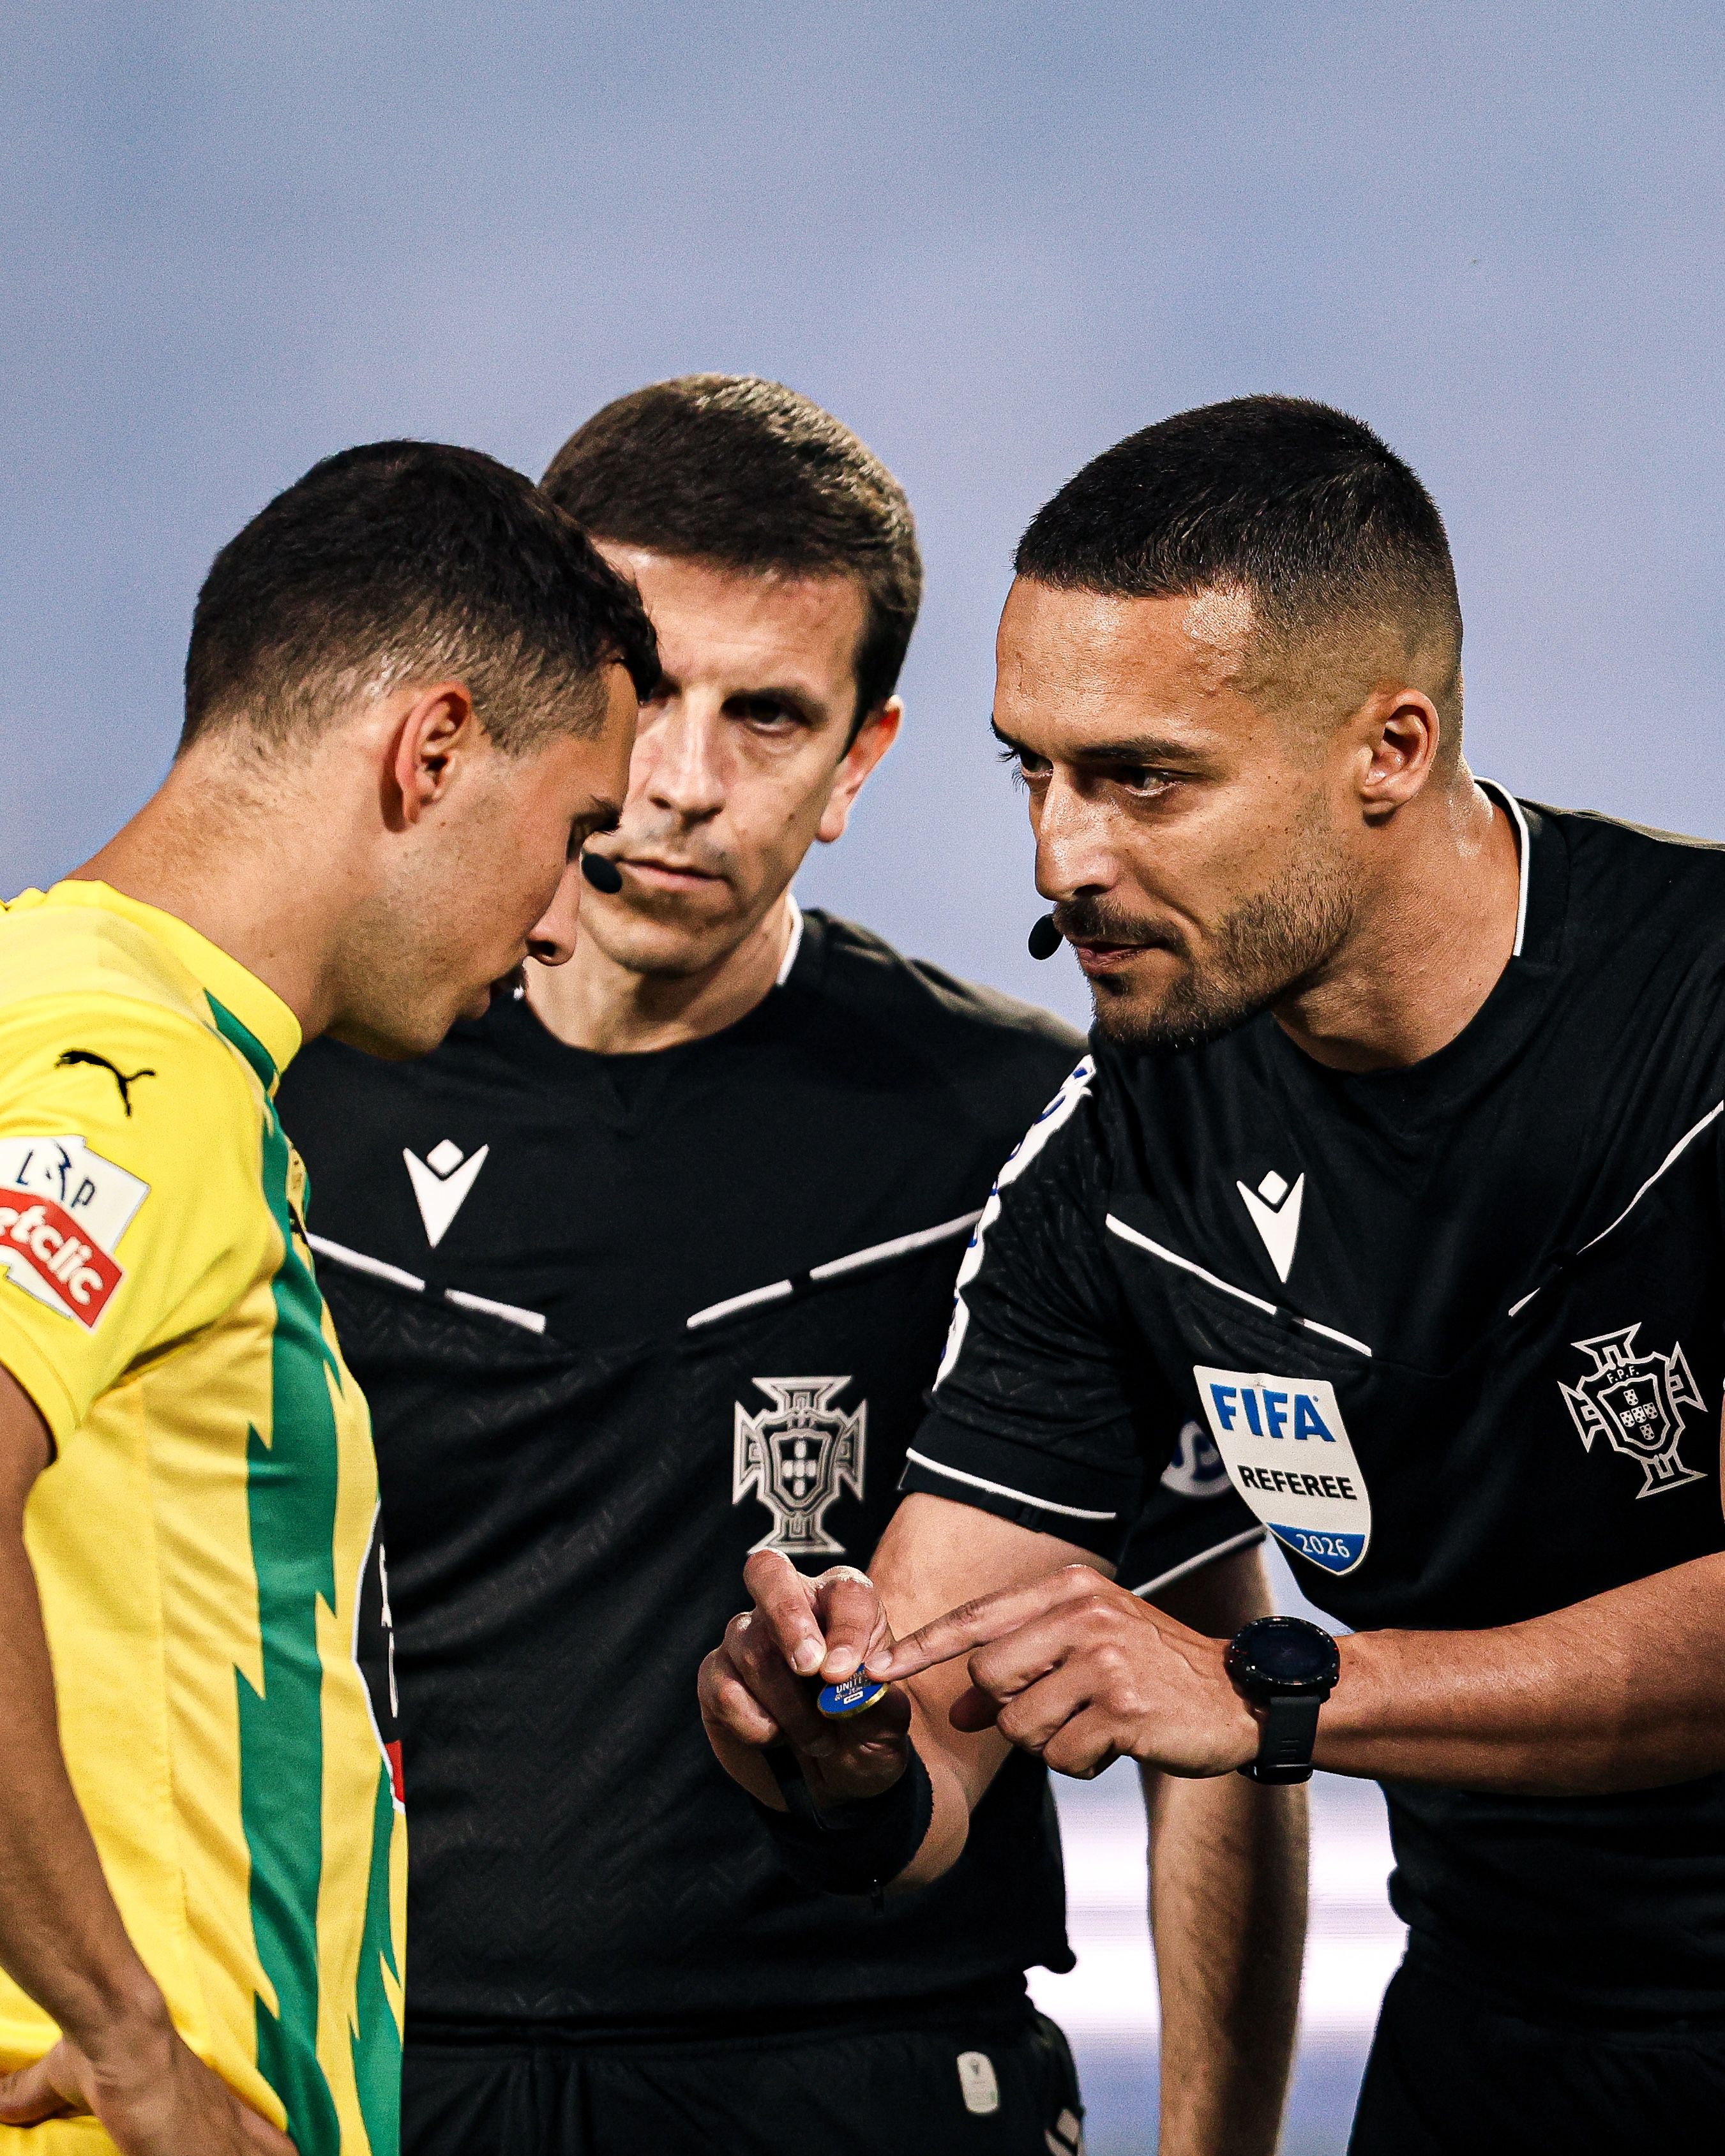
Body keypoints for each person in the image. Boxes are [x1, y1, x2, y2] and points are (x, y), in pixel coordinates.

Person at [276, 375, 1306, 2156]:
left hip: (869, 2076)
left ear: (861, 762)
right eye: (643, 692)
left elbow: (1210, 1688)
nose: (681, 781)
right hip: (379, 2079)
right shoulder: (281, 1091)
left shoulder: (1032, 1131)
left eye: (767, 716)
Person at [700, 394, 1725, 2156]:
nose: (1060, 856)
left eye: (1143, 779)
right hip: (1498, 2043)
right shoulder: (1124, 1165)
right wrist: (836, 1737)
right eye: (1033, 765)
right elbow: (933, 1724)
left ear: (1389, 748)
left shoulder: (1698, 1031)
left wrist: (1277, 1693)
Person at [0, 440, 652, 2156]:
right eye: (576, 831)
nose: (562, 922)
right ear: (431, 748)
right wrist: (123, 2033)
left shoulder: (77, 1020)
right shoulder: (117, 1062)